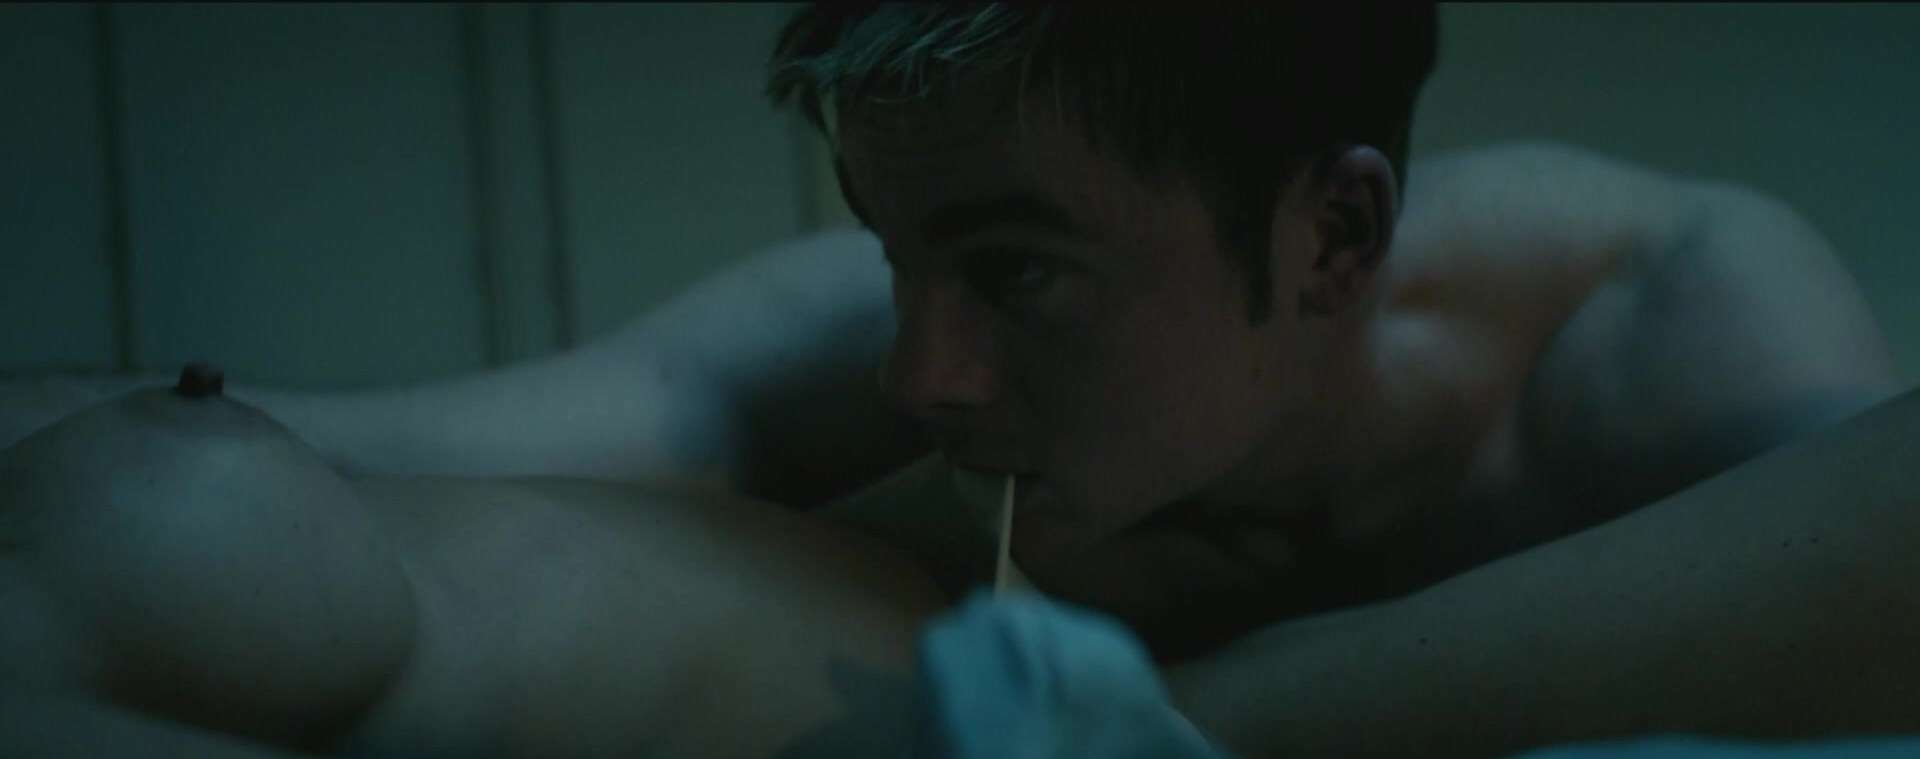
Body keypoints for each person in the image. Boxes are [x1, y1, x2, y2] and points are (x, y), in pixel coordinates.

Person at [3, 3, 1917, 757]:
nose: (920, 371)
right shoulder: (959, 315)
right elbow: (518, 419)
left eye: (1014, 274)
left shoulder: (1689, 332)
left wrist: (1180, 723)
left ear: (1337, 241)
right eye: (894, 253)